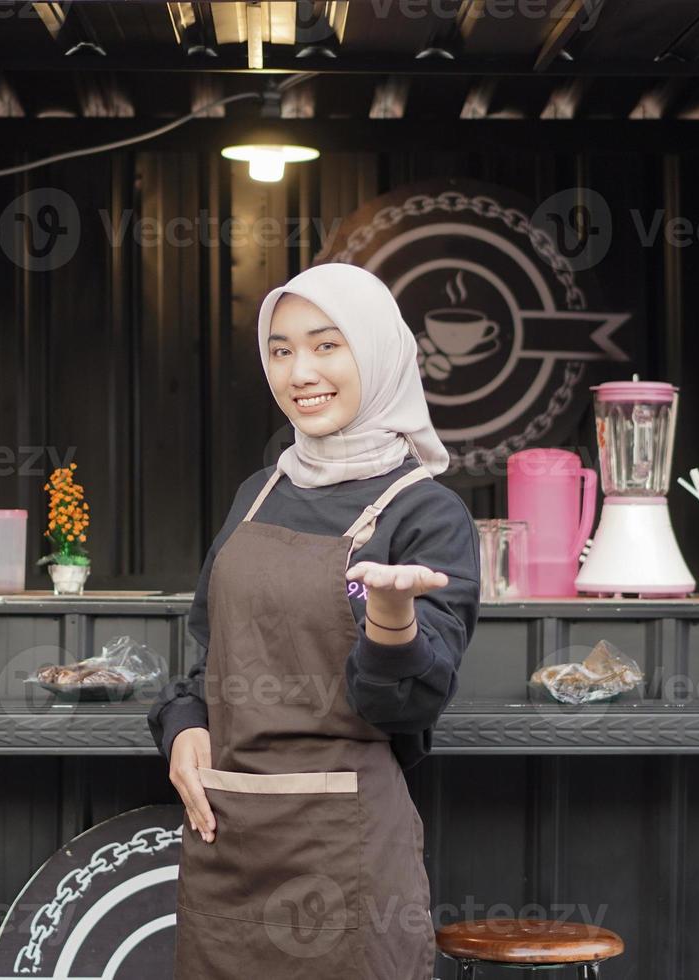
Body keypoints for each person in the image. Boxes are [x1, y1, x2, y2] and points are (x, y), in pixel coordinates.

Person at [147, 262, 481, 980]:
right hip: (228, 841)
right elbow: (208, 656)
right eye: (281, 349)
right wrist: (184, 727)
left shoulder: (427, 512)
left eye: (328, 345)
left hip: (344, 851)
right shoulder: (259, 492)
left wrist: (392, 624)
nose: (301, 371)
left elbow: (414, 706)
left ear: (378, 351)